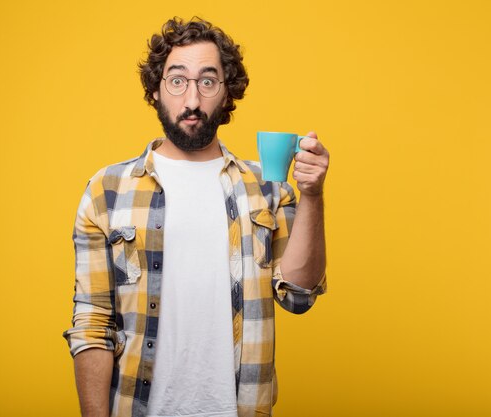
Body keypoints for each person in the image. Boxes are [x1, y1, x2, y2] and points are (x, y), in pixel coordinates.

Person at [63, 17, 329, 417]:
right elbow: (92, 322)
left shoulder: (268, 187)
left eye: (207, 81)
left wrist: (311, 195)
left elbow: (299, 295)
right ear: (155, 90)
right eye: (176, 80)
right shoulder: (107, 190)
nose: (191, 100)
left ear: (227, 93)